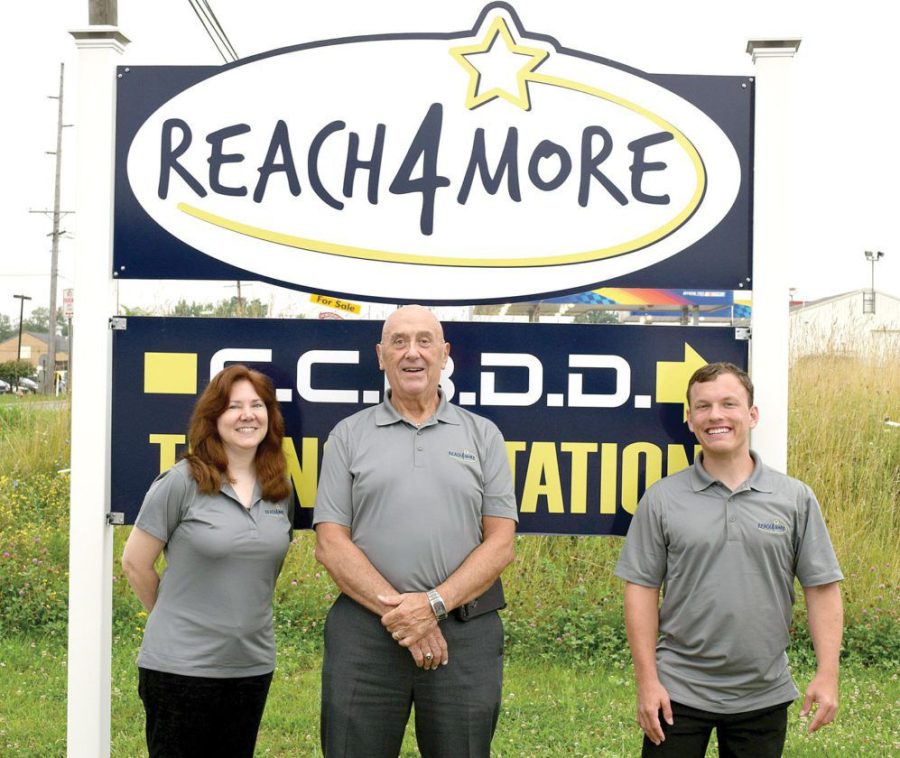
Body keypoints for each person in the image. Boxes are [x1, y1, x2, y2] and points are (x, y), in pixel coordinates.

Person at [313, 305, 518, 758]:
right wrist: (407, 618)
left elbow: (501, 542)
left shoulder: (483, 436)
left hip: (465, 634)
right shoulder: (347, 436)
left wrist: (433, 605)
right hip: (364, 634)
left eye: (425, 341)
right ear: (380, 355)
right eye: (399, 342)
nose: (412, 353)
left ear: (444, 354)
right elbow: (330, 543)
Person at [615, 362, 844, 757]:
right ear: (689, 420)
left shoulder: (794, 498)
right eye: (702, 407)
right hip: (677, 692)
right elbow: (641, 590)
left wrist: (828, 673)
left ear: (752, 415)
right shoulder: (663, 498)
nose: (715, 415)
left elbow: (821, 587)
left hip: (763, 693)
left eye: (728, 404)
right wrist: (647, 681)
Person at [122, 364, 294, 758]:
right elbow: (135, 563)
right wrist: (175, 618)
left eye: (257, 405)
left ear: (270, 415)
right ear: (214, 417)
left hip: (251, 667)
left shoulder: (280, 489)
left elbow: (266, 572)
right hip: (179, 671)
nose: (247, 415)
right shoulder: (183, 481)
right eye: (234, 406)